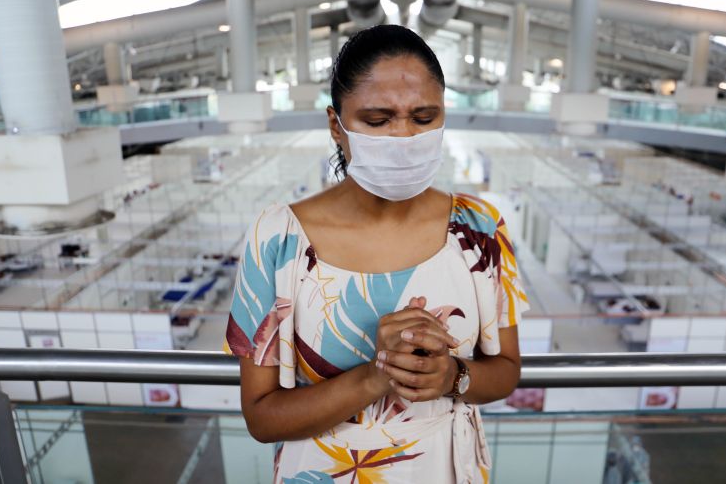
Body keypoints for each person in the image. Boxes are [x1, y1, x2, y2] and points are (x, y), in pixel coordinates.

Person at [224, 24, 529, 483]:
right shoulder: (279, 239)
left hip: (445, 468)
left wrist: (451, 376)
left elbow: (504, 371)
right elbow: (263, 418)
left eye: (424, 118)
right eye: (378, 120)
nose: (404, 137)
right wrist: (376, 376)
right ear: (336, 125)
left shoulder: (479, 229)